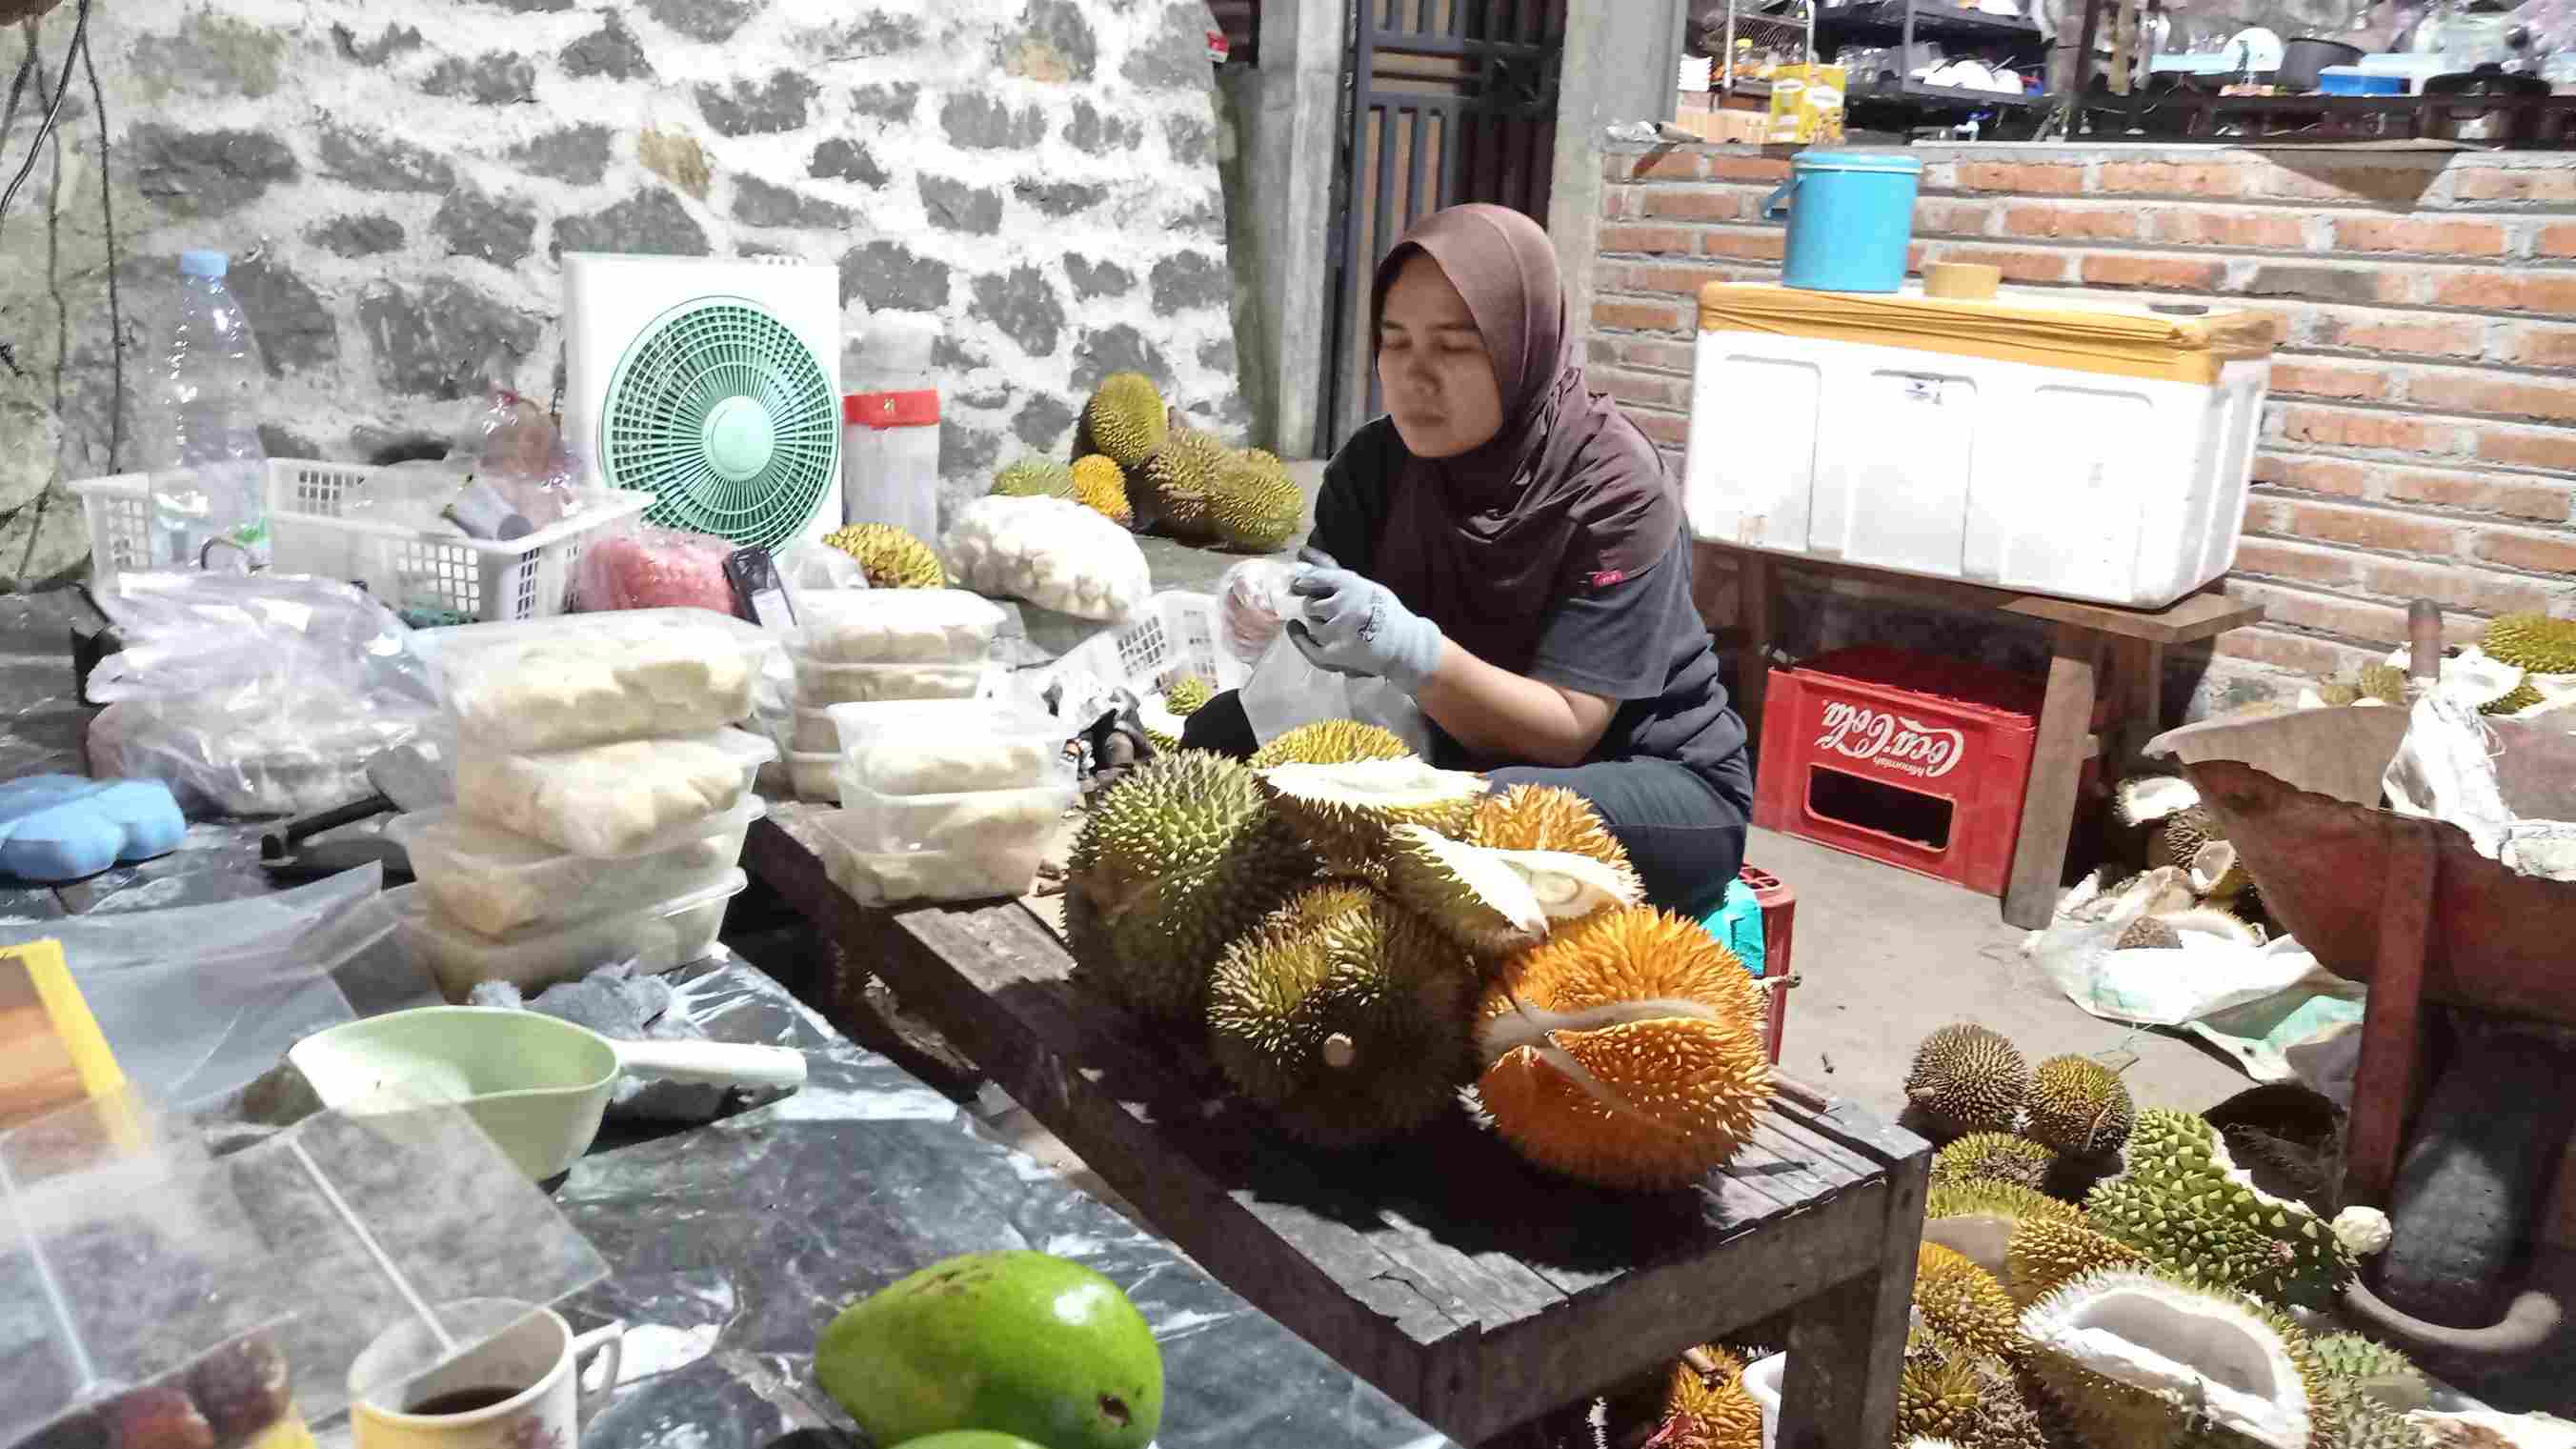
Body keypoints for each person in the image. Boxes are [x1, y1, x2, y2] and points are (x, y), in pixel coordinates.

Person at [1182, 202, 1754, 916]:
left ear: (1522, 346)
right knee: (1216, 735)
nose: (1415, 377)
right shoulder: (1375, 465)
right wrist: (1276, 609)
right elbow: (1324, 613)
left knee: (1478, 819)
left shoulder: (1614, 487)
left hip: (1642, 772)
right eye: (1395, 342)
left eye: (1453, 347)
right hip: (1447, 748)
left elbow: (1567, 728)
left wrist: (1410, 650)